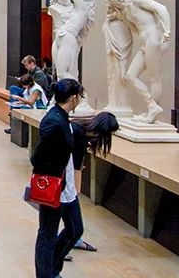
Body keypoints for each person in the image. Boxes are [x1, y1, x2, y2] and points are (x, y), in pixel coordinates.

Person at [31, 78, 84, 278]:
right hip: (54, 185)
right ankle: (46, 274)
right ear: (74, 97)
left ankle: (53, 267)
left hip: (66, 185)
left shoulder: (62, 117)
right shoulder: (54, 120)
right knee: (47, 234)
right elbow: (37, 157)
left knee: (75, 229)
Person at [61, 112, 118, 264]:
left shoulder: (80, 129)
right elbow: (75, 164)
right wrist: (76, 190)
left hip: (65, 180)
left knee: (69, 220)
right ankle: (61, 247)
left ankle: (72, 241)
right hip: (63, 181)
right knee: (68, 220)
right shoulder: (78, 133)